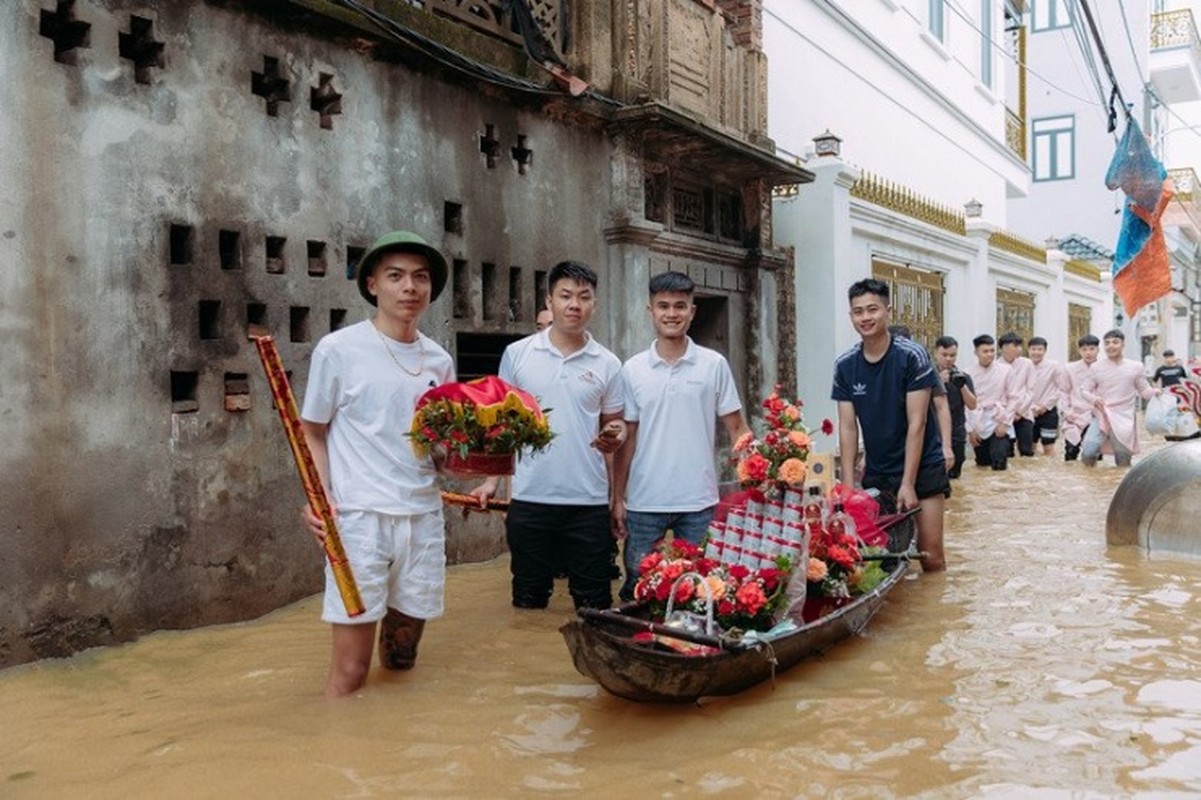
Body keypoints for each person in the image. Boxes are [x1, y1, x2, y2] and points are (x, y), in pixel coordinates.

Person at [299, 230, 456, 697]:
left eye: (420, 278)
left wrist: (480, 462)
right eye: (396, 276)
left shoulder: (439, 360)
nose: (410, 287)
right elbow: (312, 429)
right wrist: (317, 498)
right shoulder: (339, 350)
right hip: (359, 520)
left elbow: (441, 448)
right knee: (350, 673)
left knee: (403, 659)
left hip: (423, 518)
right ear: (372, 285)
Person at [471, 261, 625, 610]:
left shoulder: (608, 363)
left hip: (587, 502)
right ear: (549, 301)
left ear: (594, 304)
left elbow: (617, 425)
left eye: (584, 297)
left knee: (595, 606)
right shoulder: (518, 354)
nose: (575, 304)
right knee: (527, 603)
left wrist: (617, 496)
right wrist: (491, 480)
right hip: (530, 499)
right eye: (566, 295)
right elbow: (503, 424)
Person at [612, 271, 750, 601]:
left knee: (704, 590)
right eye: (663, 306)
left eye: (679, 306)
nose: (671, 314)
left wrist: (757, 468)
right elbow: (627, 439)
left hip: (700, 500)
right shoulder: (632, 369)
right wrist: (618, 497)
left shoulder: (713, 365)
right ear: (650, 311)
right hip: (645, 501)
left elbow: (738, 429)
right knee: (638, 589)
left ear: (692, 311)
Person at [832, 279, 947, 572]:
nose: (865, 317)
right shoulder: (845, 365)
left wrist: (908, 483)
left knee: (930, 554)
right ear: (851, 316)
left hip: (922, 466)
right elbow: (847, 427)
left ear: (888, 310)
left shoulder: (911, 355)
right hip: (879, 471)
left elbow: (917, 422)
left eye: (873, 309)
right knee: (882, 558)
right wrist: (847, 487)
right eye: (858, 312)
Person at [1079, 329, 1161, 468]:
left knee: (1122, 460)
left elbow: (1144, 391)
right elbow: (1084, 390)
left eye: (1115, 342)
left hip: (1124, 418)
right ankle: (1091, 482)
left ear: (1123, 344)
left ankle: (1118, 487)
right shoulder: (1096, 367)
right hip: (1101, 416)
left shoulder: (1135, 367)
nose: (1111, 346)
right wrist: (1094, 399)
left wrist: (1158, 392)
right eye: (1107, 343)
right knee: (1088, 452)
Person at [889, 325, 956, 475]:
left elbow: (942, 406)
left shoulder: (925, 368)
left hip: (925, 443)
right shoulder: (881, 371)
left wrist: (946, 446)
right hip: (891, 446)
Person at [964, 334, 1016, 471]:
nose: (989, 354)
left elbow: (1013, 398)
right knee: (982, 464)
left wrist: (1005, 423)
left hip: (999, 419)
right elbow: (966, 404)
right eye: (985, 351)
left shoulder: (1006, 370)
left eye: (992, 351)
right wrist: (970, 430)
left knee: (999, 463)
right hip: (978, 421)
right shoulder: (967, 373)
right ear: (976, 352)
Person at [934, 336, 977, 480]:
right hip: (934, 433)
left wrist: (962, 385)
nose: (948, 359)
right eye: (944, 355)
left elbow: (972, 405)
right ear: (936, 354)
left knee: (955, 476)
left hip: (957, 433)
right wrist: (938, 381)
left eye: (952, 355)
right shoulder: (928, 375)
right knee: (936, 476)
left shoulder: (964, 377)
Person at [1061, 335, 1099, 461]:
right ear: (1079, 351)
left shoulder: (1104, 368)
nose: (1088, 353)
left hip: (1096, 416)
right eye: (1084, 349)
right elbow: (1064, 391)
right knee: (1071, 452)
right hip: (1075, 416)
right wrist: (1066, 411)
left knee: (1094, 453)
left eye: (1092, 349)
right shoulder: (1070, 368)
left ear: (1098, 350)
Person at [998, 332, 1036, 457]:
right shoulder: (997, 366)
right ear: (1004, 347)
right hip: (1003, 414)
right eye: (1015, 346)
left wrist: (1019, 411)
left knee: (1026, 450)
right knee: (1006, 450)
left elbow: (1030, 390)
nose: (1019, 349)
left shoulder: (1027, 364)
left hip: (1024, 413)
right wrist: (1009, 412)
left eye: (1020, 345)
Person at [1027, 336, 1064, 456]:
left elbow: (1060, 388)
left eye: (1039, 349)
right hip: (1027, 412)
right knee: (1028, 448)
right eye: (1033, 349)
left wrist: (1045, 406)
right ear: (1028, 350)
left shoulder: (1054, 366)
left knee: (1048, 446)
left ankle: (1050, 474)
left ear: (1045, 351)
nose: (1036, 352)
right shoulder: (1024, 366)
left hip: (1048, 413)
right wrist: (1031, 406)